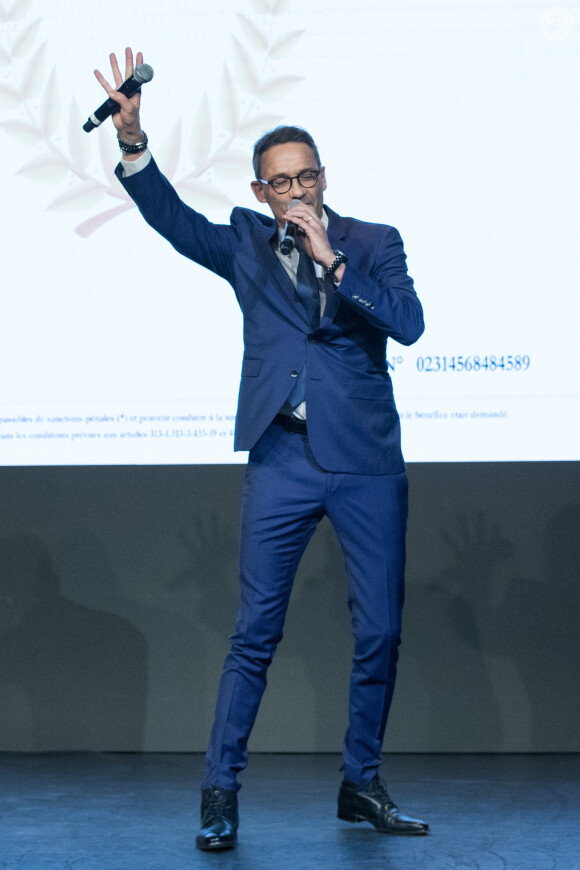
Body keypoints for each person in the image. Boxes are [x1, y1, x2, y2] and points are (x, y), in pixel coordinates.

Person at [94, 48, 428, 850]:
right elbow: (173, 221)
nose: (299, 190)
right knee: (255, 633)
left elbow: (409, 325)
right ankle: (220, 791)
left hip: (364, 461)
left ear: (322, 178)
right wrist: (135, 146)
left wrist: (333, 261)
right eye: (282, 181)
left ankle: (362, 783)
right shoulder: (245, 245)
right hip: (282, 456)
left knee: (380, 629)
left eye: (307, 176)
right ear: (261, 192)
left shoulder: (371, 242)